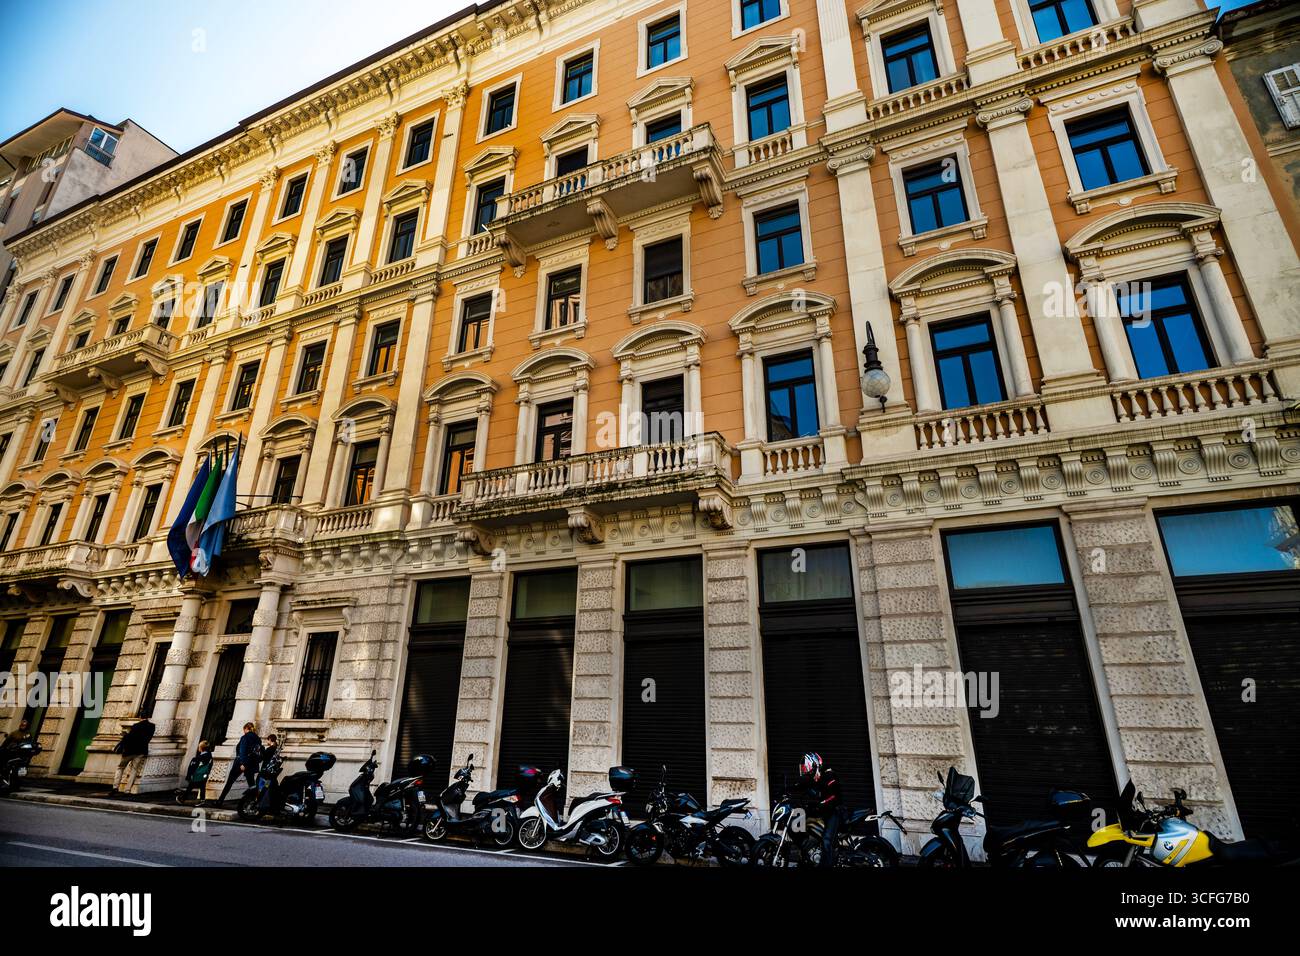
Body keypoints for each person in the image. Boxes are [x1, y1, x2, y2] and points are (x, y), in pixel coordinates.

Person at [799, 752, 842, 868]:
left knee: (826, 840)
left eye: (809, 771)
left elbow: (834, 797)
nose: (808, 773)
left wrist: (820, 804)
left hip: (835, 812)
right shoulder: (819, 777)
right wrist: (786, 790)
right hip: (826, 811)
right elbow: (805, 787)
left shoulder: (830, 776)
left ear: (816, 766)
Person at [217, 722, 262, 805]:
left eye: (243, 730)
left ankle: (220, 800)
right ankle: (255, 802)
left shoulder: (245, 737)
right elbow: (259, 752)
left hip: (240, 763)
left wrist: (242, 763)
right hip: (251, 764)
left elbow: (242, 751)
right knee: (252, 785)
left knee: (230, 781)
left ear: (246, 729)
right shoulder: (258, 739)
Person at [111, 717, 155, 795]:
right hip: (141, 751)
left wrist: (125, 736)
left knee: (120, 767)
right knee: (134, 770)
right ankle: (127, 790)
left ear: (140, 717)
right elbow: (148, 739)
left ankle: (115, 787)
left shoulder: (136, 725)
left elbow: (130, 738)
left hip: (129, 751)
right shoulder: (152, 726)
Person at [177, 740, 213, 806]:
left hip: (196, 774)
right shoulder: (210, 757)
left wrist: (189, 775)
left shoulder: (197, 758)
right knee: (202, 787)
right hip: (204, 774)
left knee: (191, 786)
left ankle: (183, 798)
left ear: (200, 748)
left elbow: (192, 768)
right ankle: (201, 800)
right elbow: (210, 766)